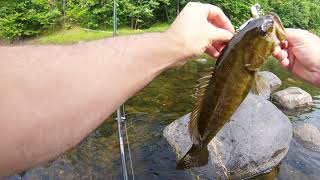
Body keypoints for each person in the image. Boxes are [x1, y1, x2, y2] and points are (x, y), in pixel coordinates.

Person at [0, 2, 319, 177]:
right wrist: (171, 44)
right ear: (251, 53)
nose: (269, 30)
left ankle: (199, 147)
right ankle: (200, 147)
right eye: (264, 33)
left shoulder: (248, 66)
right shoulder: (248, 66)